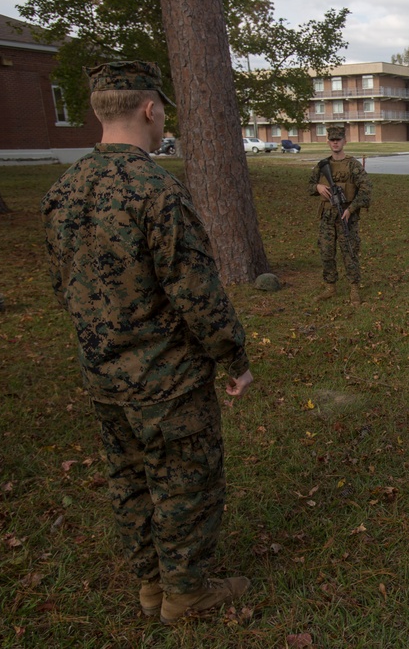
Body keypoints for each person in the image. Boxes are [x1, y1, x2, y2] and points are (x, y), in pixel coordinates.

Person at [40, 61, 253, 623]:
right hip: (167, 379)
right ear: (149, 109)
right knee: (184, 482)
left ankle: (151, 586)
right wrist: (233, 356)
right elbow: (197, 292)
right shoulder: (155, 189)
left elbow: (61, 283)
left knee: (130, 482)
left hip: (103, 377)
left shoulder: (63, 191)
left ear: (97, 109)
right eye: (162, 112)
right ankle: (185, 594)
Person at [308, 125, 372, 306]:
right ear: (328, 142)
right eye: (332, 140)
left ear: (344, 141)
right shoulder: (322, 165)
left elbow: (367, 190)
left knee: (349, 252)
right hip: (327, 217)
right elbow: (309, 186)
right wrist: (318, 187)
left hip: (346, 217)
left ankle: (354, 288)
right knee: (326, 252)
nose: (335, 142)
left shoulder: (353, 165)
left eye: (338, 139)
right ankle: (330, 286)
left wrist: (351, 209)